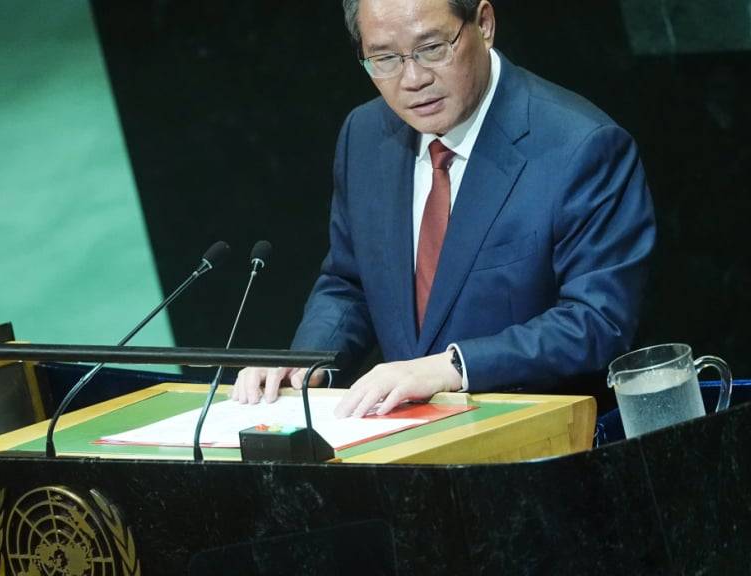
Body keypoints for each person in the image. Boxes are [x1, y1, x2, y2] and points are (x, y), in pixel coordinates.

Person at [231, 0, 656, 417]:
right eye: (384, 59)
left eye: (432, 49)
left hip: (536, 450)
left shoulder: (580, 147)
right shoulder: (363, 134)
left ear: (484, 24)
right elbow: (350, 282)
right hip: (402, 455)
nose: (412, 78)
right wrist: (309, 361)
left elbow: (598, 322)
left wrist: (452, 367)